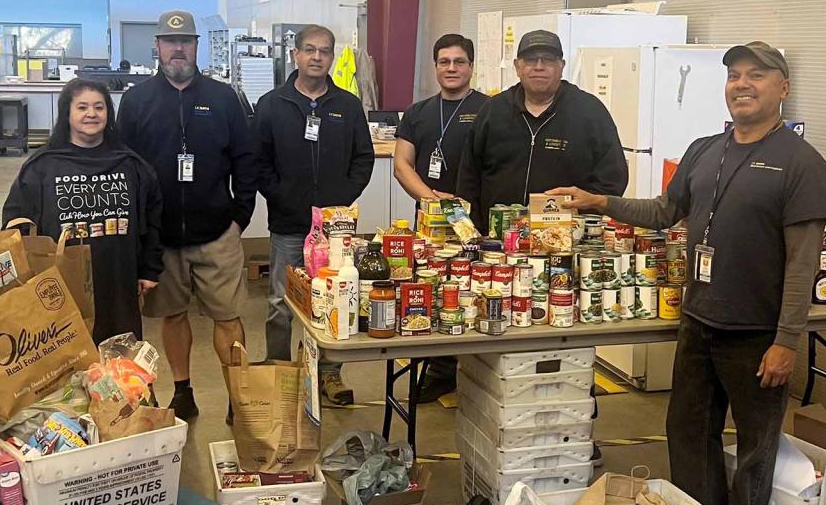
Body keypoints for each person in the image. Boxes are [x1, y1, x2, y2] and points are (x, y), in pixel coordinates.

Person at [548, 41, 826, 505]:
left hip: (756, 332)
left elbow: (803, 262)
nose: (742, 84)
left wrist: (787, 340)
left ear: (783, 88)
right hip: (699, 321)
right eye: (734, 76)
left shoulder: (802, 163)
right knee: (689, 433)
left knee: (754, 444)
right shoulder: (705, 149)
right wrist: (598, 200)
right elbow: (662, 212)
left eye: (757, 75)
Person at [117, 10, 258, 422]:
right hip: (162, 239)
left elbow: (245, 159)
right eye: (170, 41)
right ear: (157, 46)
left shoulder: (223, 98)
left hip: (217, 232)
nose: (178, 49)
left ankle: (239, 395)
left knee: (228, 317)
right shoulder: (137, 100)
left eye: (186, 41)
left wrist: (240, 217)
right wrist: (142, 231)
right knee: (173, 315)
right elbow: (125, 165)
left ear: (196, 46)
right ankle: (182, 391)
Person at [254, 24, 375, 404]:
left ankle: (329, 375)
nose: (317, 57)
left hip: (335, 229)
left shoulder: (348, 106)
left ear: (332, 57)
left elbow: (364, 158)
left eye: (324, 51)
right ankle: (278, 371)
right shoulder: (272, 104)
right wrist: (281, 196)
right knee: (280, 304)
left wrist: (340, 201)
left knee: (336, 299)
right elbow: (258, 162)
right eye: (309, 50)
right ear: (296, 55)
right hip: (289, 225)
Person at [2, 78, 163, 344]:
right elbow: (16, 223)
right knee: (70, 364)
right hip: (60, 284)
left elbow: (153, 219)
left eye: (99, 107)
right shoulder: (42, 166)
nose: (91, 114)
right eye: (82, 107)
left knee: (122, 367)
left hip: (118, 280)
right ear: (67, 113)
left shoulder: (130, 164)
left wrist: (149, 268)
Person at [455, 29, 627, 230]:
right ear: (517, 66)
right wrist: (473, 230)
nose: (538, 67)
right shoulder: (493, 110)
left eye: (548, 60)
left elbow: (613, 179)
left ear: (561, 66)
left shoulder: (590, 112)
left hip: (566, 241)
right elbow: (468, 178)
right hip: (496, 241)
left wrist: (583, 219)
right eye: (530, 60)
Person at [393, 33, 487, 403]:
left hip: (472, 221)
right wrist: (431, 200)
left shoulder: (489, 109)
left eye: (459, 61)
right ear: (435, 67)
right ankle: (440, 368)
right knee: (432, 289)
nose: (451, 68)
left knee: (471, 290)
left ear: (470, 66)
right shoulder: (418, 112)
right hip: (429, 222)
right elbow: (402, 165)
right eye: (444, 61)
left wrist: (463, 202)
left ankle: (475, 368)